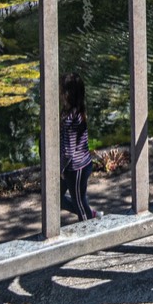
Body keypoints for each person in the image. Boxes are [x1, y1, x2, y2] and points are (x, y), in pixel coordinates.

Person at [60, 73, 101, 222]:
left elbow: (70, 150)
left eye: (61, 90)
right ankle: (89, 213)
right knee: (56, 198)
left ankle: (88, 232)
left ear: (67, 94)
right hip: (70, 166)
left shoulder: (72, 117)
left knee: (79, 202)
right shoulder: (69, 112)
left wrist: (61, 169)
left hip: (75, 168)